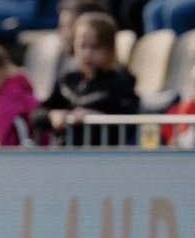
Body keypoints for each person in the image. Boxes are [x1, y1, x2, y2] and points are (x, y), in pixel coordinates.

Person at [32, 12, 139, 146]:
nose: (87, 53)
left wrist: (96, 118)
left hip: (102, 153)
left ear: (110, 48)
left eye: (96, 47)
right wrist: (53, 115)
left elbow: (128, 125)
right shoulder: (68, 79)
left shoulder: (121, 82)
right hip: (66, 152)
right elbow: (37, 113)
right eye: (82, 46)